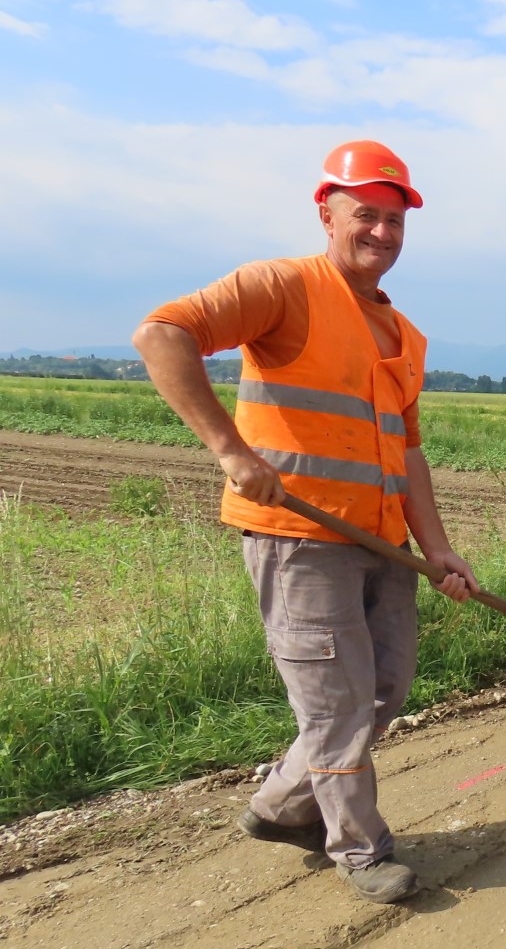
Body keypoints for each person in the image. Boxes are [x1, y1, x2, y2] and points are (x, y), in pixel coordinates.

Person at [132, 140, 478, 905]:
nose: (382, 232)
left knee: (385, 687)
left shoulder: (404, 335)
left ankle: (280, 806)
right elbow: (161, 334)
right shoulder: (283, 286)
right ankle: (359, 848)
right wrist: (230, 450)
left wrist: (439, 548)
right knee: (337, 704)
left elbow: (409, 455)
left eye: (394, 219)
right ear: (327, 215)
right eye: (366, 215)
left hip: (382, 543)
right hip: (300, 541)